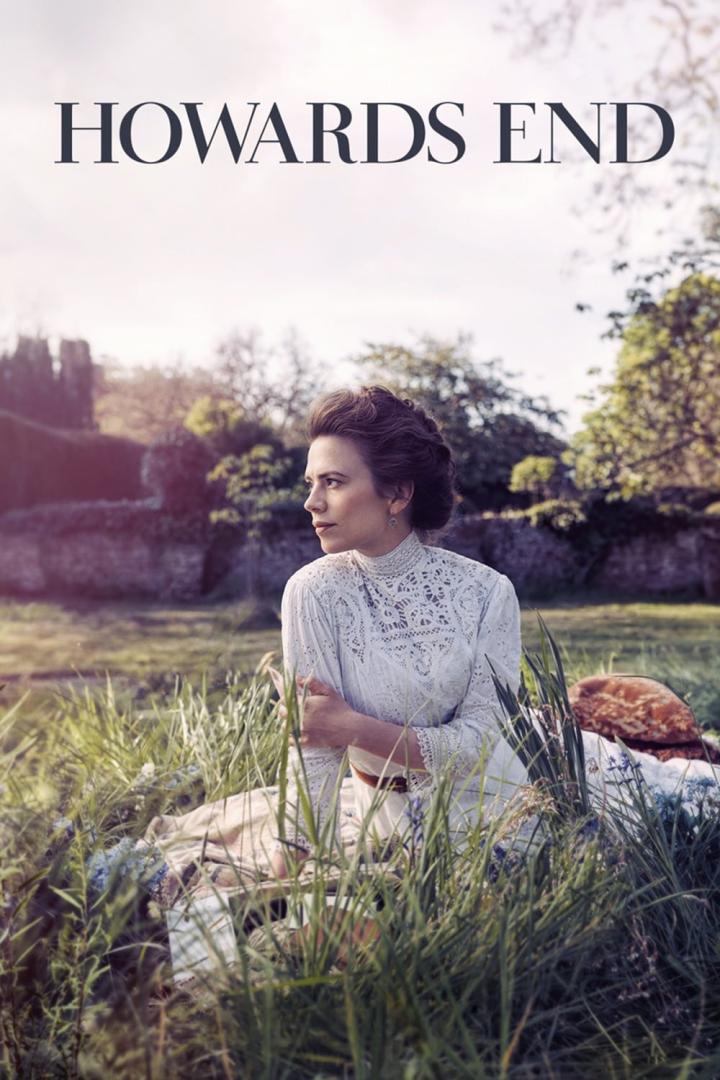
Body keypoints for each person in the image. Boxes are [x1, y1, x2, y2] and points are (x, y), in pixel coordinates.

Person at [144, 385, 531, 903]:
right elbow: (315, 747)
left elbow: (482, 744)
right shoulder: (312, 591)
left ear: (397, 493)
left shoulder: (488, 592)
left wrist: (354, 727)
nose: (311, 501)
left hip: (493, 812)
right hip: (384, 817)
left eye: (333, 481)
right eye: (312, 482)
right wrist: (289, 860)